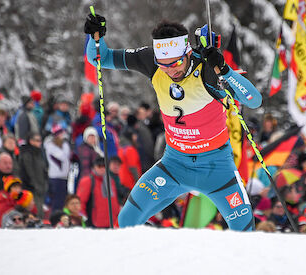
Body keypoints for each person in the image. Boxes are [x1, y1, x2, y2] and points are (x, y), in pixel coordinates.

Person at [84, 15, 261, 231]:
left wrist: (224, 70)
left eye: (176, 63)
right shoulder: (151, 61)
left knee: (245, 230)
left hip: (216, 167)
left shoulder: (207, 67)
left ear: (187, 52)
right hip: (174, 165)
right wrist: (95, 37)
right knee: (126, 222)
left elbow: (253, 99)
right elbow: (100, 58)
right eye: (163, 65)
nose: (170, 70)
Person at [77, 158, 120, 228]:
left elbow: (114, 202)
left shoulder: (110, 181)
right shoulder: (88, 181)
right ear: (94, 167)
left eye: (104, 166)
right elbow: (80, 202)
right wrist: (84, 220)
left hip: (111, 222)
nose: (102, 168)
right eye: (99, 166)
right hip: (94, 223)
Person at [18, 133, 49, 216]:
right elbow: (29, 171)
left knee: (40, 209)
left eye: (40, 140)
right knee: (34, 209)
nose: (39, 143)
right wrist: (35, 185)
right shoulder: (27, 153)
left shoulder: (40, 153)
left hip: (40, 186)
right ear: (31, 141)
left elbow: (44, 168)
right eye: (37, 140)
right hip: (31, 187)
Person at [44, 124, 72, 211]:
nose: (62, 136)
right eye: (60, 134)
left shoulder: (63, 144)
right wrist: (65, 145)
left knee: (63, 201)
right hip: (55, 177)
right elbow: (63, 156)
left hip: (64, 176)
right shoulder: (50, 146)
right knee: (57, 201)